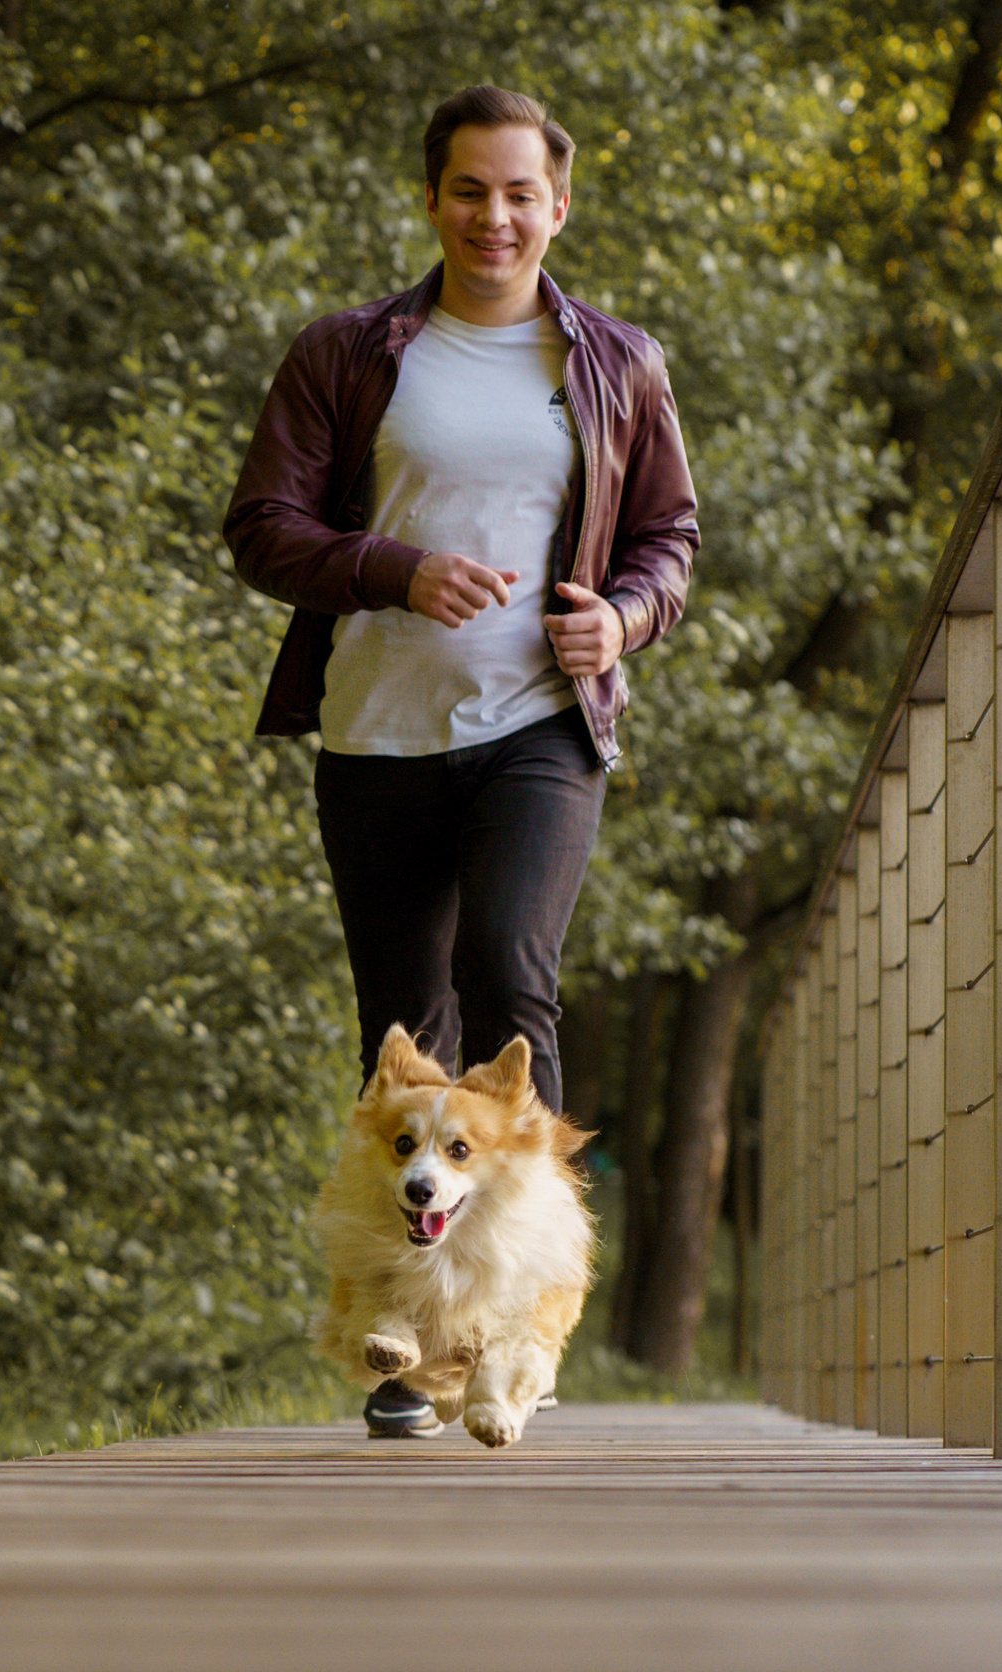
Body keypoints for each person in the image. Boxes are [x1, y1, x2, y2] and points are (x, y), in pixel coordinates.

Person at [223, 85, 699, 1436]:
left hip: (540, 725)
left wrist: (626, 618)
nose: (496, 216)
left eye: (520, 194)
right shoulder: (348, 353)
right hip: (377, 733)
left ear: (560, 206)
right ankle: (412, 1346)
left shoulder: (619, 365)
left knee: (509, 986)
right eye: (470, 191)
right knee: (402, 1027)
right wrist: (394, 568)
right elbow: (261, 527)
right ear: (432, 200)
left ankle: (516, 1330)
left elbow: (669, 540)